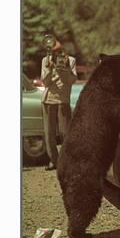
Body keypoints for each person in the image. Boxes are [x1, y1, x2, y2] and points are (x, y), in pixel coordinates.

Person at [41, 36, 77, 170]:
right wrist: (50, 69)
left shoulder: (71, 61)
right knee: (48, 132)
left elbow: (72, 81)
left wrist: (65, 69)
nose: (58, 55)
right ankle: (53, 160)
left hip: (63, 100)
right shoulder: (45, 60)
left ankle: (66, 160)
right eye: (54, 53)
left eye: (59, 51)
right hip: (48, 99)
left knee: (65, 132)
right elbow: (45, 82)